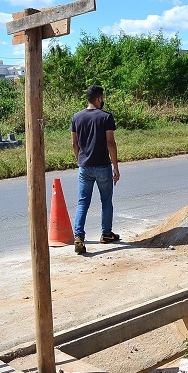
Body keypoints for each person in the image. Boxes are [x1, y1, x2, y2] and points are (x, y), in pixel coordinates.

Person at [71, 85, 120, 254]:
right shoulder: (106, 117)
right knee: (106, 201)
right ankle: (106, 234)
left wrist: (81, 160)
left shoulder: (76, 117)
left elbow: (74, 144)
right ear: (99, 98)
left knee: (82, 202)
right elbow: (110, 143)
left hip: (84, 167)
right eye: (103, 97)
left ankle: (78, 236)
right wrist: (116, 166)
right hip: (102, 166)